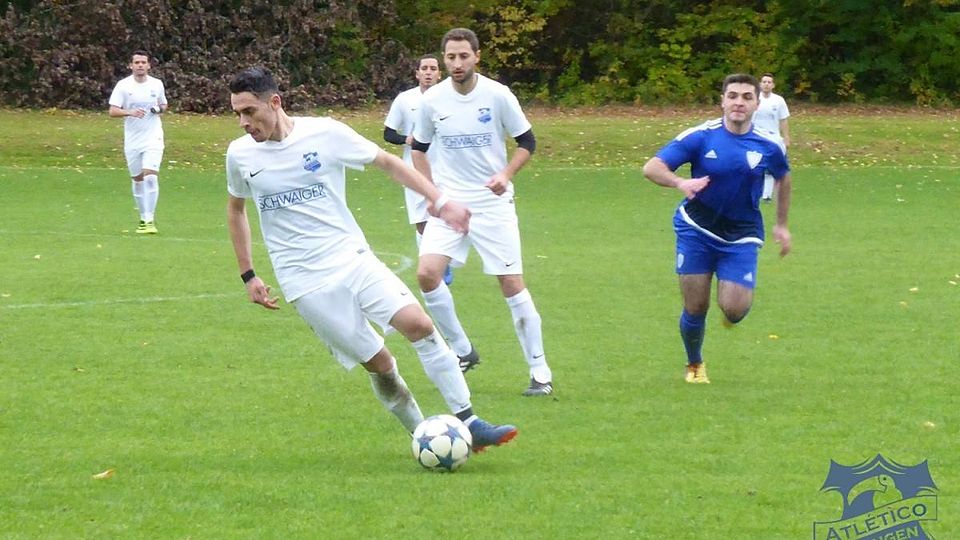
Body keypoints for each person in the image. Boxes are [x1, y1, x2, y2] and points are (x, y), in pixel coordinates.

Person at [224, 66, 517, 451]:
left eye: (249, 111)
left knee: (419, 324)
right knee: (380, 364)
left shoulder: (325, 133)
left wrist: (441, 201)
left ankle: (470, 421)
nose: (244, 123)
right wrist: (248, 274)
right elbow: (236, 210)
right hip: (304, 282)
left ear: (274, 102)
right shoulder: (240, 154)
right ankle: (424, 438)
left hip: (352, 258)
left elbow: (389, 163)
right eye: (237, 114)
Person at [411, 28, 553, 397]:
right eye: (450, 57)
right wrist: (434, 194)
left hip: (492, 205)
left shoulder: (497, 95)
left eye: (463, 56)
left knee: (511, 283)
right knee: (427, 274)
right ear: (444, 60)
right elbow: (418, 148)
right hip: (451, 204)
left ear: (477, 56)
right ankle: (463, 350)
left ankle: (540, 372)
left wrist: (505, 175)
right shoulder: (432, 100)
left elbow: (527, 142)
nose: (457, 63)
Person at [642, 73, 793, 384]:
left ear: (757, 104)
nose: (739, 102)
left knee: (735, 310)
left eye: (747, 97)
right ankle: (694, 364)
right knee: (695, 306)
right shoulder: (700, 136)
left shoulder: (769, 144)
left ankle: (730, 309)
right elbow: (652, 167)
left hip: (742, 234)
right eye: (733, 96)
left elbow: (784, 177)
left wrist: (781, 224)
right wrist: (680, 182)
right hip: (696, 229)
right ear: (722, 101)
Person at [383, 54, 453, 285]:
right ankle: (430, 264)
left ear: (439, 74)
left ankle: (442, 262)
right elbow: (388, 133)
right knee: (421, 220)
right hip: (413, 170)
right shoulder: (405, 100)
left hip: (444, 168)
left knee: (444, 213)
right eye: (424, 68)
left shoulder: (448, 98)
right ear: (417, 73)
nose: (428, 72)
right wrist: (407, 139)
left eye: (433, 68)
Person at [108, 50, 167, 234]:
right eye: (137, 62)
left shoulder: (156, 84)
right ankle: (143, 217)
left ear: (149, 65)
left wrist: (158, 109)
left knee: (150, 176)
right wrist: (130, 112)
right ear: (131, 66)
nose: (140, 65)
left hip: (153, 137)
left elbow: (164, 104)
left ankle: (150, 219)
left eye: (143, 62)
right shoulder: (123, 86)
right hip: (133, 140)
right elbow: (112, 111)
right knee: (138, 179)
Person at [752, 73, 791, 201]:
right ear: (760, 84)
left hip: (772, 137)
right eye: (764, 82)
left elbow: (783, 119)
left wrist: (786, 137)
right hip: (756, 137)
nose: (766, 84)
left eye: (769, 82)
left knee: (770, 167)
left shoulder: (778, 100)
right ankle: (753, 192)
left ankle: (767, 195)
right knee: (755, 165)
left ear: (773, 85)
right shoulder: (754, 98)